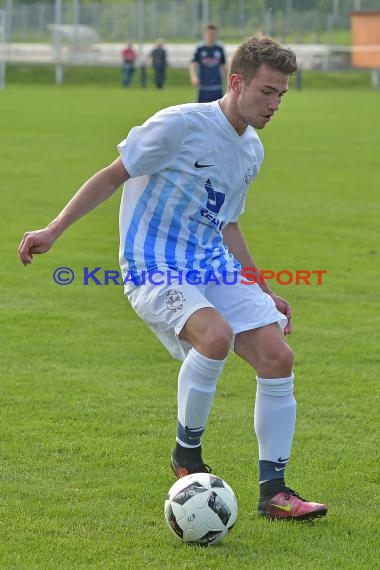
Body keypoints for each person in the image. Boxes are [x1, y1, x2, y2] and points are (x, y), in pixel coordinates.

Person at [19, 33, 327, 521]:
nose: (275, 104)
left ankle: (275, 492)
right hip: (154, 263)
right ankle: (187, 458)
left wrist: (263, 290)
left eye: (282, 95)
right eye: (267, 91)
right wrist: (54, 230)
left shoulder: (252, 150)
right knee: (216, 336)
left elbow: (226, 223)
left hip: (210, 264)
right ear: (236, 82)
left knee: (277, 357)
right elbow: (113, 174)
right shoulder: (180, 125)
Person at [189, 24, 226, 103]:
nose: (211, 36)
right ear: (205, 34)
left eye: (213, 34)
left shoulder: (219, 48)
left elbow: (223, 65)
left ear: (216, 35)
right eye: (209, 34)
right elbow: (193, 64)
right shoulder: (200, 48)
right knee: (202, 110)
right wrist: (194, 76)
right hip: (203, 86)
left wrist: (226, 80)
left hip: (217, 86)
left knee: (218, 109)